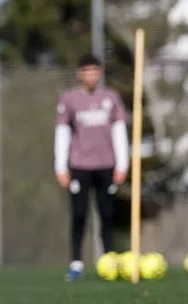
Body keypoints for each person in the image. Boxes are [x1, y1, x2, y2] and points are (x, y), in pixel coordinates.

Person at [54, 54, 129, 281]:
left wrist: (122, 163)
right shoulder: (69, 100)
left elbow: (119, 132)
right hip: (80, 166)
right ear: (79, 73)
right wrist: (60, 165)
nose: (90, 75)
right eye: (86, 71)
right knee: (79, 215)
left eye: (94, 71)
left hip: (106, 166)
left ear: (100, 73)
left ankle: (108, 260)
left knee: (107, 214)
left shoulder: (111, 98)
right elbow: (62, 133)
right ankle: (76, 263)